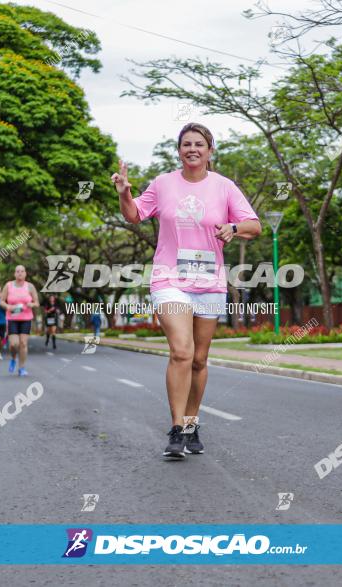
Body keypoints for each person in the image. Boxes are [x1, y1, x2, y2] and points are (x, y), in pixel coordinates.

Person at [112, 122, 261, 459]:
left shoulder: (224, 187)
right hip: (170, 279)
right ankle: (177, 427)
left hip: (209, 282)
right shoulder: (163, 183)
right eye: (186, 144)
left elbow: (255, 226)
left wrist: (233, 228)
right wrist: (124, 192)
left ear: (210, 151)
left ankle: (193, 424)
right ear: (178, 151)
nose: (192, 149)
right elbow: (135, 214)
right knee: (181, 351)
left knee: (199, 359)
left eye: (199, 144)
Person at [0, 265, 40, 376]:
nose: (20, 273)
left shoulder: (30, 287)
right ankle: (13, 358)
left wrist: (32, 304)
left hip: (26, 318)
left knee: (23, 343)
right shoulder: (8, 286)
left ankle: (21, 368)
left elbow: (37, 303)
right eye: (17, 271)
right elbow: (1, 301)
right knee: (13, 344)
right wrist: (8, 307)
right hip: (12, 318)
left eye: (22, 271)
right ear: (14, 273)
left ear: (25, 273)